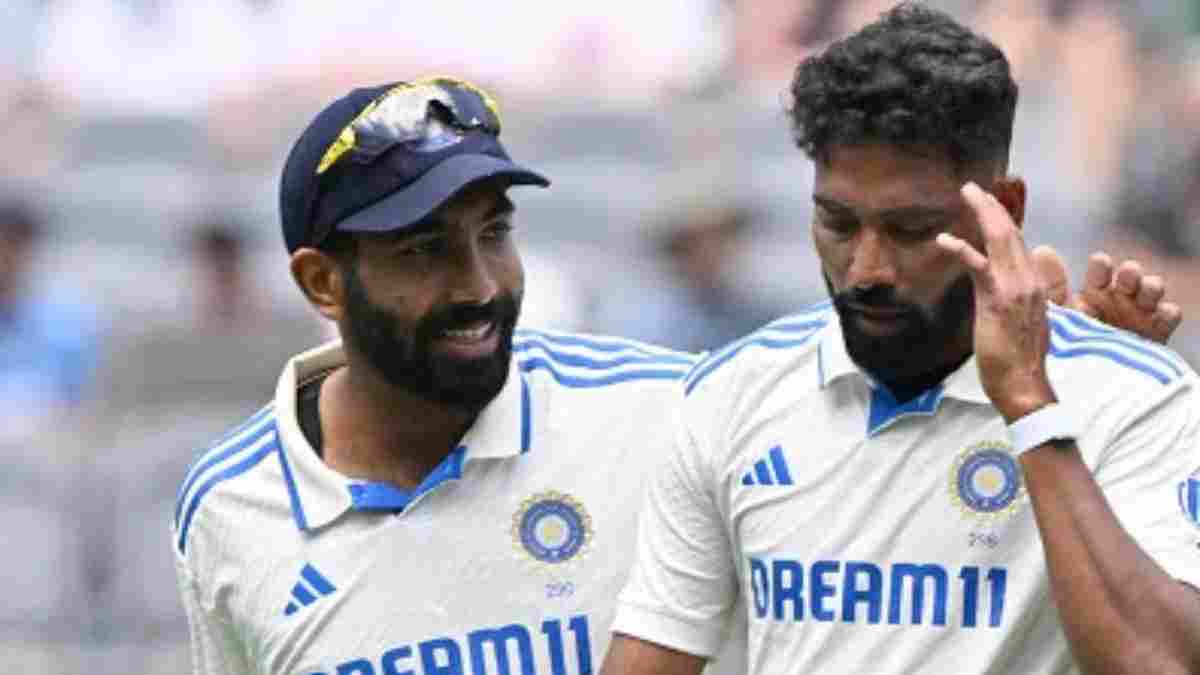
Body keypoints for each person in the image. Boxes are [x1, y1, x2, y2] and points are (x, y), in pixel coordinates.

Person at [172, 75, 1181, 675]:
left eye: (494, 234)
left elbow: (899, 455)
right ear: (322, 282)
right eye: (422, 252)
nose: (478, 284)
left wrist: (1082, 380)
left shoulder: (665, 408)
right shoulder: (230, 513)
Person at [600, 4, 1200, 674]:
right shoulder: (732, 394)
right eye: (837, 222)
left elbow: (1161, 662)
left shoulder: (1134, 393)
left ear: (1005, 210)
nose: (866, 270)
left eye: (911, 230)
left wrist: (1032, 407)